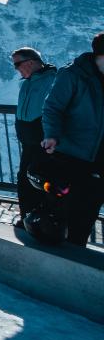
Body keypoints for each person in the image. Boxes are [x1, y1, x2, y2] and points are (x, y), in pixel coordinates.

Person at [40, 32, 104, 247]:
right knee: (63, 206)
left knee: (88, 210)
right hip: (71, 154)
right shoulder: (73, 74)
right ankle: (52, 251)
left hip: (99, 159)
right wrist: (51, 135)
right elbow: (53, 108)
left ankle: (76, 251)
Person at [11, 47, 58, 228]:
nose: (16, 69)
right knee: (24, 179)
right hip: (28, 143)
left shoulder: (52, 80)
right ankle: (27, 218)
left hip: (43, 143)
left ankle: (44, 220)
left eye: (17, 64)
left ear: (30, 62)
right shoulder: (26, 83)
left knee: (40, 181)